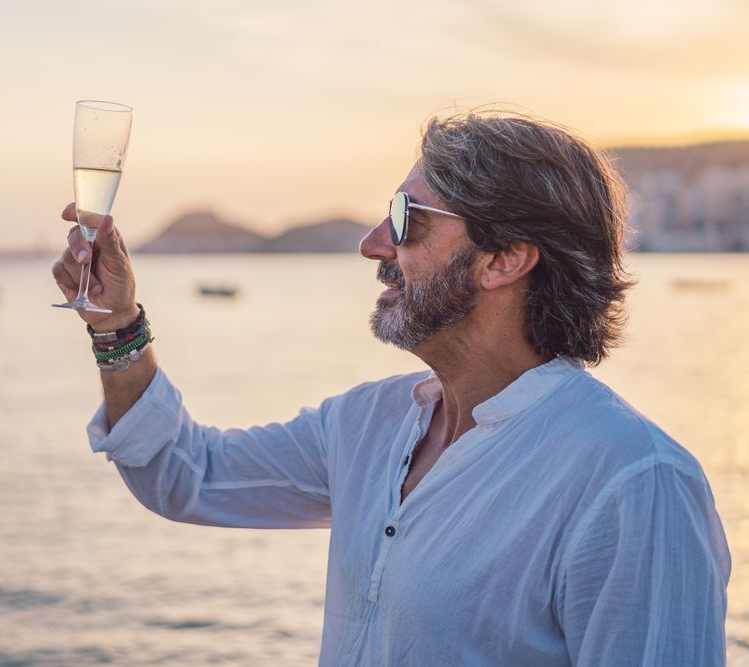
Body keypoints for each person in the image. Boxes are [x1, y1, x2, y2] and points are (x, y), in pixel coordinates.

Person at [51, 110, 730, 666]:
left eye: (407, 219)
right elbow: (184, 474)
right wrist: (117, 327)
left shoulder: (635, 485)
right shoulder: (367, 424)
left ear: (504, 259)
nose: (374, 243)